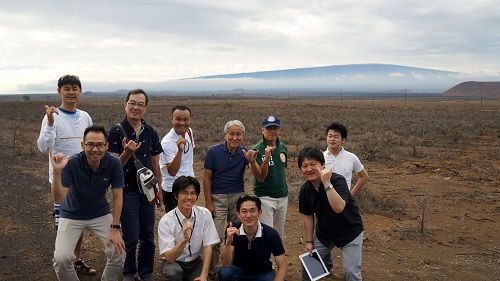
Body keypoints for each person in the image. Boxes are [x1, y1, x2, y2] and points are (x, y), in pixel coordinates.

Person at [36, 74, 96, 275]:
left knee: (79, 222)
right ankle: (62, 261)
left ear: (80, 91)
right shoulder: (51, 116)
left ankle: (75, 259)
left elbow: (92, 145)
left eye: (75, 88)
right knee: (63, 224)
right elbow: (44, 147)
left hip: (84, 178)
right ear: (59, 91)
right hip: (62, 180)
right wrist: (51, 123)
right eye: (66, 88)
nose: (71, 92)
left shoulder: (85, 116)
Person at [51, 125, 126, 281]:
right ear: (82, 145)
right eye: (90, 144)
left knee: (118, 253)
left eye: (99, 144)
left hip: (99, 213)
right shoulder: (71, 163)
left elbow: (118, 196)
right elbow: (58, 199)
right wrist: (57, 172)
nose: (95, 149)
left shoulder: (114, 163)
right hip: (71, 214)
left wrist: (115, 228)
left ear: (106, 146)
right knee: (61, 258)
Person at [107, 89, 163, 281]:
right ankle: (128, 272)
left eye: (140, 104)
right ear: (125, 105)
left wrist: (159, 190)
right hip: (126, 192)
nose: (136, 107)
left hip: (148, 191)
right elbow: (113, 167)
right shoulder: (115, 132)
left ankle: (146, 272)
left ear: (145, 108)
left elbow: (155, 163)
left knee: (147, 236)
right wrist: (127, 153)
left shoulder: (150, 131)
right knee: (130, 237)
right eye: (132, 103)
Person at [203, 120, 261, 278]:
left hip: (238, 198)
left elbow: (258, 175)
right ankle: (212, 270)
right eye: (231, 134)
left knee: (238, 234)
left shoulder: (245, 153)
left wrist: (252, 161)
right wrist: (208, 203)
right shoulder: (213, 151)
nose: (235, 137)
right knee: (215, 236)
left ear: (243, 136)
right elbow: (207, 178)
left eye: (238, 134)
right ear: (225, 135)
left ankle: (235, 267)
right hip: (218, 198)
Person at [298, 147, 364, 281]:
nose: (309, 169)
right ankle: (323, 269)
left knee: (351, 273)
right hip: (325, 234)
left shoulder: (337, 181)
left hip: (349, 231)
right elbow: (308, 216)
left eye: (313, 164)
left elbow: (339, 208)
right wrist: (309, 242)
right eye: (304, 166)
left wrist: (326, 183)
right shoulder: (305, 190)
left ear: (322, 165)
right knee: (308, 265)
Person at [158, 176, 220, 281]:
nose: (189, 197)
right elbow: (169, 258)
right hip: (174, 262)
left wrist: (204, 275)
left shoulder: (204, 214)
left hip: (195, 263)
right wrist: (184, 240)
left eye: (193, 193)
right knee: (173, 273)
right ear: (176, 195)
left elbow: (208, 246)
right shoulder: (166, 221)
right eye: (184, 193)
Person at [218, 194, 287, 281]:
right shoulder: (233, 229)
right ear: (238, 214)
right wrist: (228, 243)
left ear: (259, 212)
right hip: (239, 273)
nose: (248, 215)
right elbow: (225, 263)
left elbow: (282, 267)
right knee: (225, 272)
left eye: (252, 210)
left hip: (263, 274)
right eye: (244, 211)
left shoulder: (271, 234)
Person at [251, 115, 288, 240]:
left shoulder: (283, 147)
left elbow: (282, 169)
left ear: (279, 130)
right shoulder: (257, 150)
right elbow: (260, 177)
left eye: (275, 128)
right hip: (265, 197)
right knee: (266, 234)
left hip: (282, 196)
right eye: (268, 129)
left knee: (278, 234)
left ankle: (276, 258)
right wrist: (266, 158)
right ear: (262, 130)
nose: (272, 131)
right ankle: (268, 260)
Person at [160, 105, 195, 212]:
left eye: (185, 119)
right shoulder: (167, 143)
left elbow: (189, 155)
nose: (182, 123)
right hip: (173, 189)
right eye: (178, 119)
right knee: (175, 224)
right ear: (172, 119)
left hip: (189, 186)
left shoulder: (189, 132)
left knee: (189, 220)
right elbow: (172, 171)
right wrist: (179, 151)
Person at [323, 122, 368, 197]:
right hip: (325, 200)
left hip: (344, 201)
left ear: (343, 140)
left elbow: (364, 176)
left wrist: (351, 195)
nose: (332, 139)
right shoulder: (320, 158)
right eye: (330, 136)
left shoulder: (351, 157)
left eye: (336, 137)